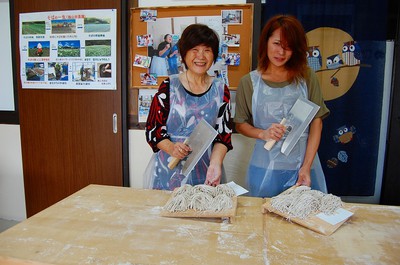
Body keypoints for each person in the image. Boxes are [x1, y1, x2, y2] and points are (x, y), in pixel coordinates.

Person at [234, 15, 330, 198]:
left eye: (289, 47)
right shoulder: (249, 82)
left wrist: (306, 167)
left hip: (303, 167)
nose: (281, 52)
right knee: (264, 220)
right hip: (264, 168)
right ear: (266, 41)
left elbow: (316, 124)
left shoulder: (307, 78)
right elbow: (241, 124)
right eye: (277, 43)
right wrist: (263, 133)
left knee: (305, 219)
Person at [145, 24, 233, 191]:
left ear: (214, 54)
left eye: (207, 50)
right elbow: (153, 131)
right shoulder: (169, 86)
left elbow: (223, 136)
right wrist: (172, 148)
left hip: (206, 171)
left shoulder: (221, 90)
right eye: (194, 49)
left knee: (203, 213)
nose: (200, 56)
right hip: (169, 170)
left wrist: (215, 164)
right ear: (183, 53)